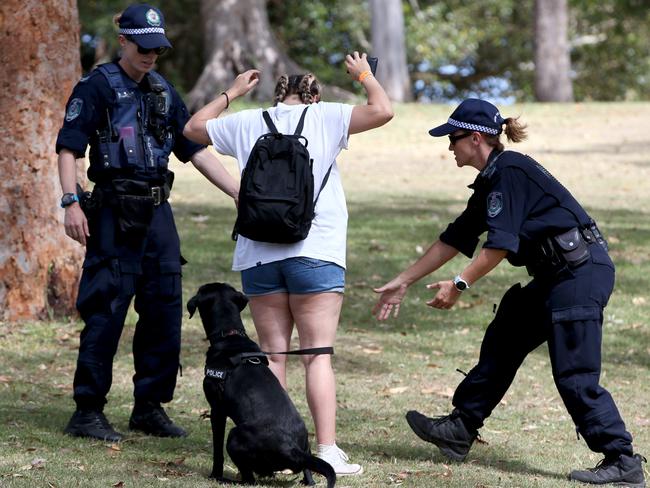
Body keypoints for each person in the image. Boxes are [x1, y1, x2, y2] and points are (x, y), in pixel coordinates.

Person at [372, 99, 646, 486]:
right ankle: (461, 427)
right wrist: (404, 280)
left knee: (574, 372)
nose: (449, 146)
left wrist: (460, 284)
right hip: (556, 274)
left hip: (579, 274)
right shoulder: (492, 179)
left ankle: (622, 459)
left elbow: (497, 247)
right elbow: (455, 237)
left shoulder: (509, 172)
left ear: (478, 138)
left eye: (454, 137)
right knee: (506, 334)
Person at [183, 52, 393, 475]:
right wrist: (363, 74)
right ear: (313, 96)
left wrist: (233, 93)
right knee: (316, 356)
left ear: (277, 95)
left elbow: (191, 130)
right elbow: (382, 109)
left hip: (259, 255)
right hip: (316, 252)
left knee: (273, 358)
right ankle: (328, 449)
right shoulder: (328, 116)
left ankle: (271, 448)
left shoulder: (247, 120)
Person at [56, 4, 239, 442]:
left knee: (163, 309)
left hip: (158, 214)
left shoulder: (162, 90)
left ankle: (149, 407)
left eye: (157, 49)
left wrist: (237, 192)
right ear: (124, 41)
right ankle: (87, 410)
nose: (151, 56)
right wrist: (70, 202)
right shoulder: (97, 86)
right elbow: (68, 149)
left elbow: (192, 149)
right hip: (113, 213)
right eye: (144, 47)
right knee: (106, 310)